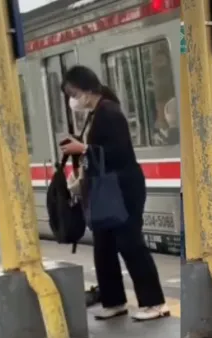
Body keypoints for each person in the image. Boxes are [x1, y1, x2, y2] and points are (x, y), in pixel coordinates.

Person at [59, 65, 169, 321]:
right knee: (104, 245)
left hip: (122, 188)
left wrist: (83, 149)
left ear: (86, 89)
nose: (73, 100)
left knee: (130, 243)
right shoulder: (96, 112)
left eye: (73, 93)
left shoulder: (109, 112)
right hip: (106, 188)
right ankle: (113, 300)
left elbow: (119, 153)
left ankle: (154, 302)